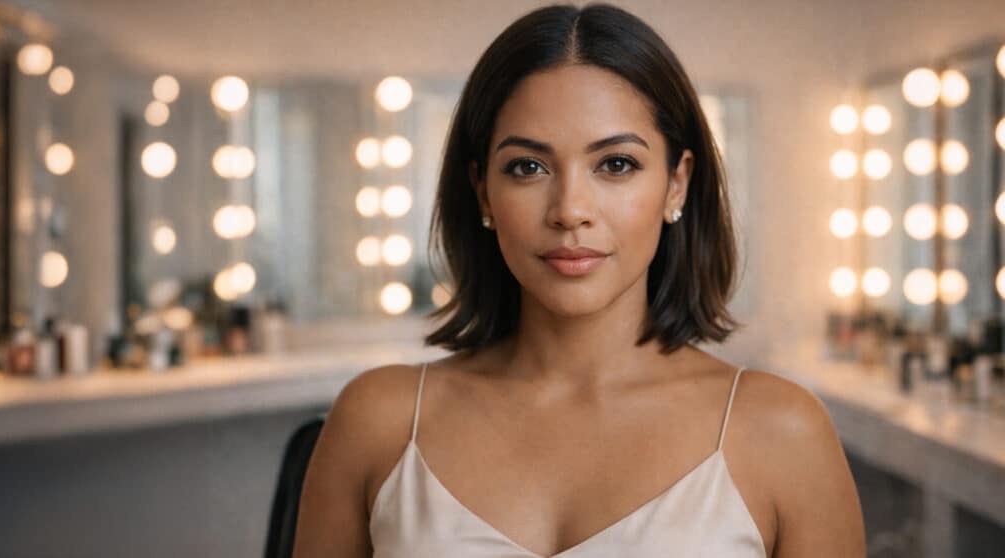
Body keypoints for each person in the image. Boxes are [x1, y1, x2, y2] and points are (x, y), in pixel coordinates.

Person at [293, 3, 866, 557]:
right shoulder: (378, 422)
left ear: (677, 184)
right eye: (528, 167)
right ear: (482, 190)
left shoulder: (782, 433)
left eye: (616, 164)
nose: (570, 209)